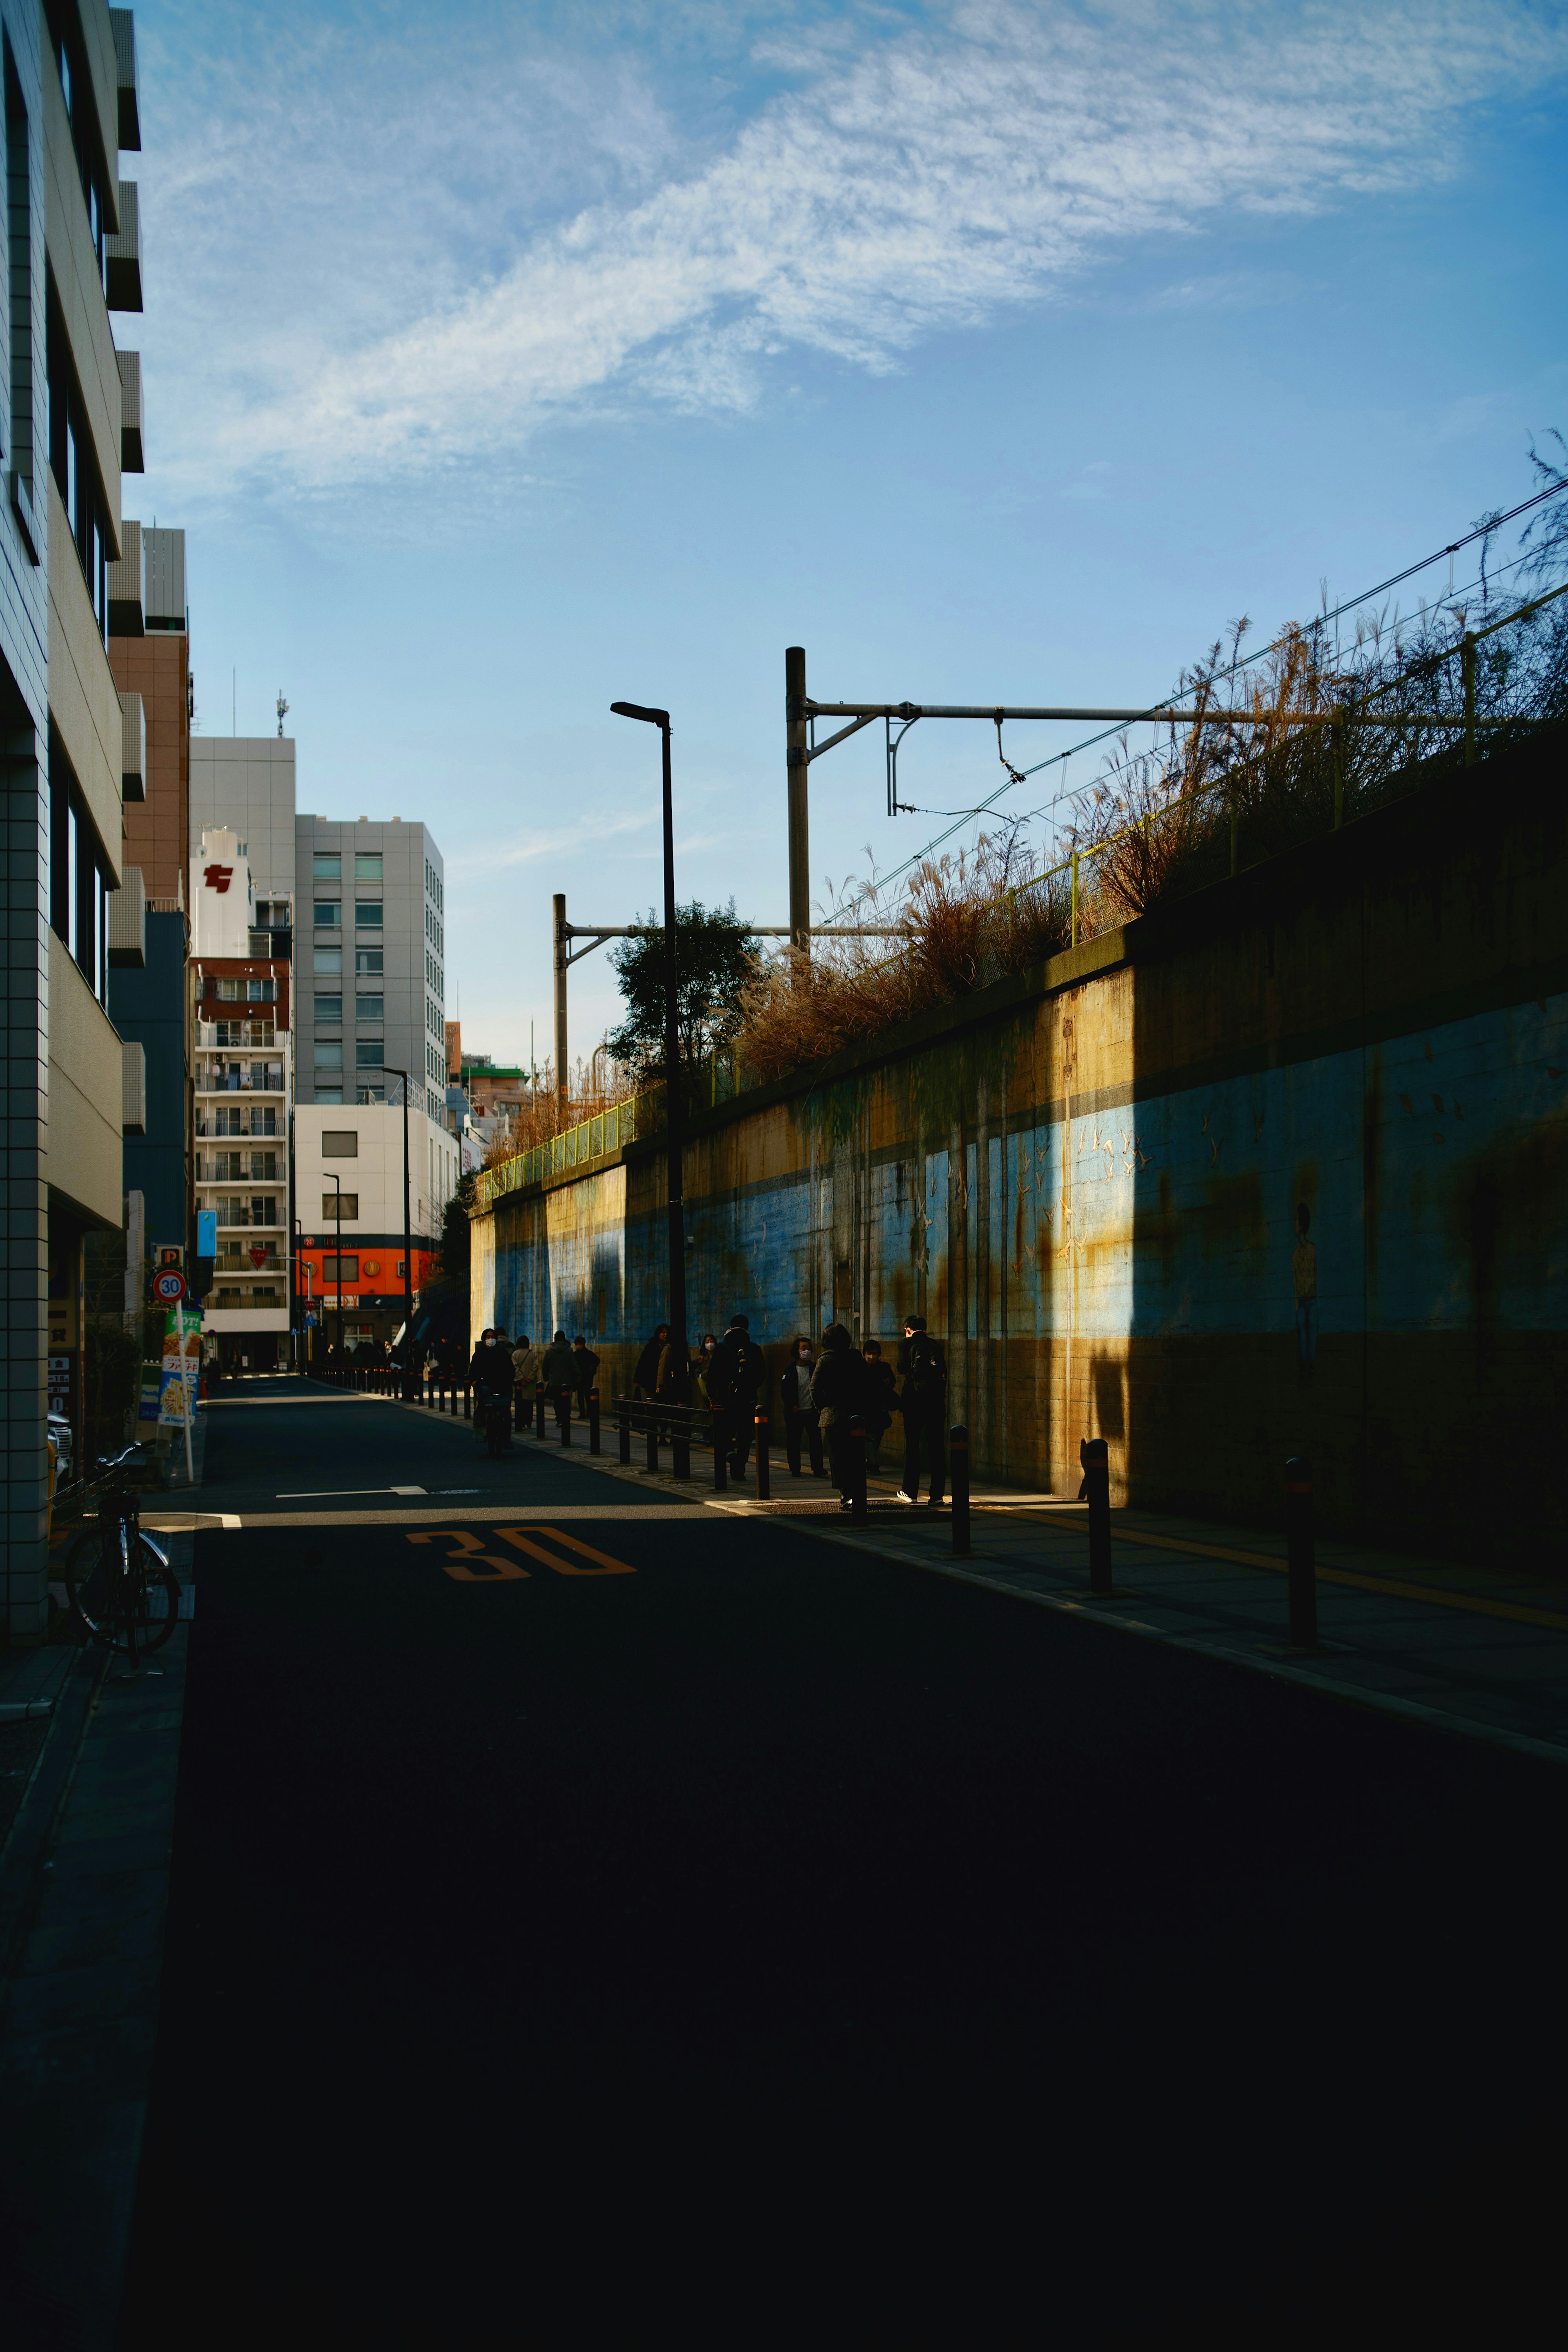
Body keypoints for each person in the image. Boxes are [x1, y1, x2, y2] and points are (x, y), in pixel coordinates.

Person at [810, 1323, 870, 1509]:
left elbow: (814, 1387)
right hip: (856, 1415)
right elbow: (866, 1383)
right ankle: (858, 1493)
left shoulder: (825, 1360)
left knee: (838, 1457)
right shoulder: (855, 1357)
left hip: (834, 1415)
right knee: (856, 1455)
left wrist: (823, 1408)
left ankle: (846, 1493)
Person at [896, 1314, 948, 1506]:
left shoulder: (904, 1344)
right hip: (935, 1403)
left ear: (908, 1329)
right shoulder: (936, 1345)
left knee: (913, 1447)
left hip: (914, 1403)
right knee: (937, 1448)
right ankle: (937, 1496)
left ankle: (910, 1492)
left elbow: (902, 1368)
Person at [706, 1314, 767, 1477]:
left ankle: (731, 1457)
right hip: (747, 1400)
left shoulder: (721, 1347)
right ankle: (739, 1467)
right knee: (745, 1435)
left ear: (731, 1327)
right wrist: (751, 1386)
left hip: (725, 1400)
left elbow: (712, 1375)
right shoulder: (754, 1348)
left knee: (725, 1432)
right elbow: (762, 1374)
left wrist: (712, 1395)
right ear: (747, 1329)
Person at [780, 1336, 824, 1478]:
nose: (807, 1351)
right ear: (797, 1352)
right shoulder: (790, 1370)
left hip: (812, 1411)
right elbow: (785, 1391)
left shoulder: (815, 1367)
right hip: (795, 1413)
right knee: (794, 1442)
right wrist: (792, 1405)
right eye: (803, 1348)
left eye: (808, 1348)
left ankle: (818, 1468)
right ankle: (795, 1469)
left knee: (816, 1441)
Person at [470, 1328, 512, 1449]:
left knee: (506, 1413)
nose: (491, 1339)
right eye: (488, 1337)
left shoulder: (502, 1353)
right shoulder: (479, 1354)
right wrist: (474, 1381)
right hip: (485, 1387)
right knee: (480, 1411)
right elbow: (473, 1370)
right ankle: (481, 1434)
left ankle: (506, 1439)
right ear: (484, 1340)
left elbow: (510, 1369)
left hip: (501, 1386)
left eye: (493, 1337)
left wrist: (509, 1380)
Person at [861, 1340, 896, 1475]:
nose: (872, 1356)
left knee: (878, 1435)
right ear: (865, 1353)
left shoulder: (884, 1367)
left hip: (880, 1407)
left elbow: (893, 1381)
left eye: (875, 1354)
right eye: (869, 1353)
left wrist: (888, 1383)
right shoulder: (860, 1367)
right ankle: (873, 1463)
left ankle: (871, 1460)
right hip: (865, 1407)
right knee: (870, 1436)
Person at [541, 1329, 576, 1434]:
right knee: (566, 1401)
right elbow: (574, 1364)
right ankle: (566, 1418)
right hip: (567, 1381)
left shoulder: (549, 1351)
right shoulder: (569, 1350)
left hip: (554, 1381)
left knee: (557, 1401)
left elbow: (545, 1366)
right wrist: (578, 1377)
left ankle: (559, 1419)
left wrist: (546, 1377)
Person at [512, 1333, 543, 1430]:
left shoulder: (515, 1354)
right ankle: (529, 1422)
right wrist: (530, 1378)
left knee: (520, 1404)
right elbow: (536, 1366)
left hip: (519, 1384)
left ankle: (521, 1423)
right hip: (531, 1384)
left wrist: (521, 1379)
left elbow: (515, 1367)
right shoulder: (533, 1354)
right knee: (529, 1404)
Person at [571, 1336, 601, 1417]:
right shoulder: (584, 1354)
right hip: (584, 1377)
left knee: (584, 1395)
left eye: (579, 1344)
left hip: (584, 1377)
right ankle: (584, 1412)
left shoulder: (581, 1355)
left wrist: (592, 1367)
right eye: (577, 1345)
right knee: (583, 1395)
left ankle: (585, 1412)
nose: (578, 1346)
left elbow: (597, 1361)